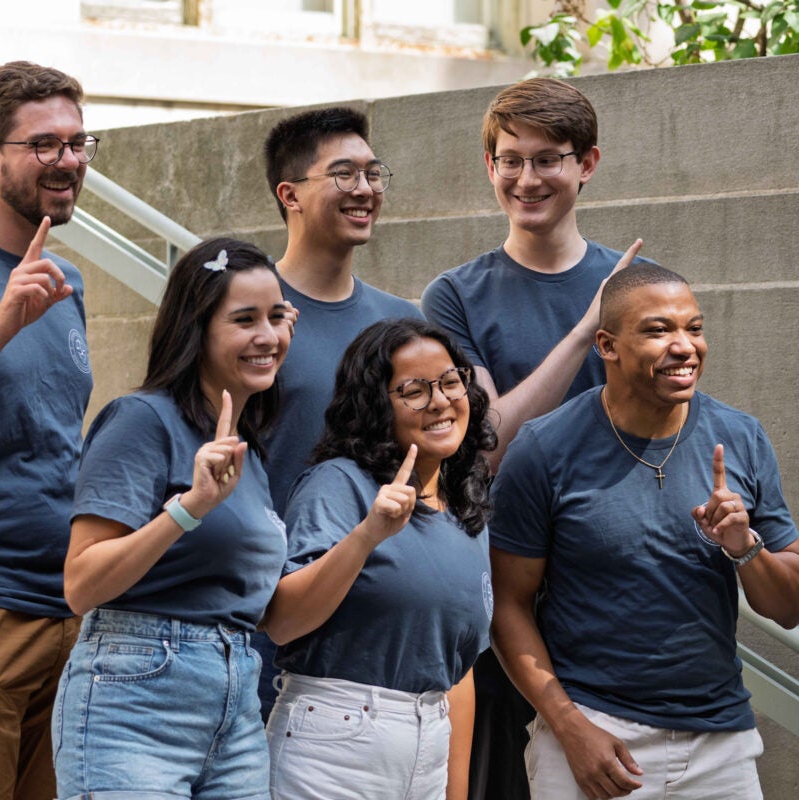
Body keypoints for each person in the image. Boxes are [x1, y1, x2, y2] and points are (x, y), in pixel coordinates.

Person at [490, 263, 799, 800]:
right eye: (659, 330)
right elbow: (505, 603)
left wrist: (746, 549)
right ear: (607, 345)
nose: (684, 346)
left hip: (720, 744)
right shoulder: (544, 449)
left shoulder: (742, 437)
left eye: (694, 328)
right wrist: (568, 727)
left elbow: (789, 607)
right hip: (593, 736)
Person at [421, 76, 647, 798]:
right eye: (510, 159)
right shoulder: (454, 295)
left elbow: (657, 432)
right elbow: (483, 442)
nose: (527, 178)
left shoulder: (635, 287)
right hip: (496, 581)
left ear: (587, 163)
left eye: (547, 158)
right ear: (489, 166)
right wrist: (586, 331)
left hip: (611, 585)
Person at [53, 238, 295, 799]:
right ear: (197, 328)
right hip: (135, 697)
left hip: (236, 699)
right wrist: (188, 509)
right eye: (244, 319)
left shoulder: (242, 446)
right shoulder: (144, 420)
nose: (269, 335)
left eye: (278, 317)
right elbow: (81, 584)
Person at [261, 318, 496, 800]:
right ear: (374, 405)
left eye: (451, 382)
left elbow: (456, 669)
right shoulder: (339, 483)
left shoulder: (465, 506)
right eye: (413, 390)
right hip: (336, 746)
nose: (440, 401)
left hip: (429, 741)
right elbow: (282, 621)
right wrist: (368, 535)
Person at [253, 106, 423, 719]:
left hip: (376, 620)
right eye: (344, 174)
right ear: (289, 194)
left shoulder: (402, 323)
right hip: (261, 612)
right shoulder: (246, 313)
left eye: (373, 173)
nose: (366, 190)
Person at [0, 60, 95, 800]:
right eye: (44, 144)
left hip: (65, 611)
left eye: (77, 142)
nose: (67, 161)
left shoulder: (67, 283)